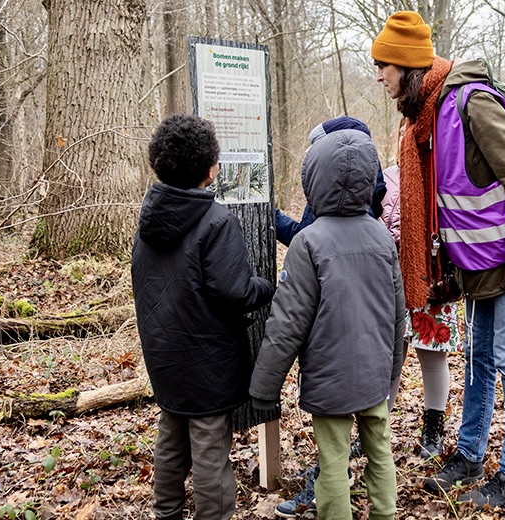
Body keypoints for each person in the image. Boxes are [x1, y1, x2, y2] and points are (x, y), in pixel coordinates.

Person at [370, 11, 505, 510]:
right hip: (479, 264)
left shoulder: (471, 104)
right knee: (479, 361)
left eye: (385, 67)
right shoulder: (426, 117)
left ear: (409, 67)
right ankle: (468, 455)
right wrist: (448, 274)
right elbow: (453, 205)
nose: (379, 77)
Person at [249, 129, 406, 520]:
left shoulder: (308, 242)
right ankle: (385, 514)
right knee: (379, 450)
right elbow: (396, 313)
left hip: (329, 378)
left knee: (333, 461)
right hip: (373, 375)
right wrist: (393, 374)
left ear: (314, 179)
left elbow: (287, 322)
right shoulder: (381, 237)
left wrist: (264, 389)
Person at [131, 114, 276, 520]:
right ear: (211, 170)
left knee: (171, 440)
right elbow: (236, 291)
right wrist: (269, 285)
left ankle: (167, 513)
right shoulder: (215, 222)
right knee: (211, 450)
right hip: (208, 360)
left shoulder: (148, 221)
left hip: (163, 355)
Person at [379, 160, 461, 459]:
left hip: (431, 276)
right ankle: (376, 429)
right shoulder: (387, 176)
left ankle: (433, 429)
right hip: (391, 278)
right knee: (388, 358)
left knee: (432, 358)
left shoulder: (444, 173)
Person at [274, 116, 388, 246]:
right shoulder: (364, 192)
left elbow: (309, 245)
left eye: (318, 145)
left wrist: (273, 218)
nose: (308, 152)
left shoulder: (334, 198)